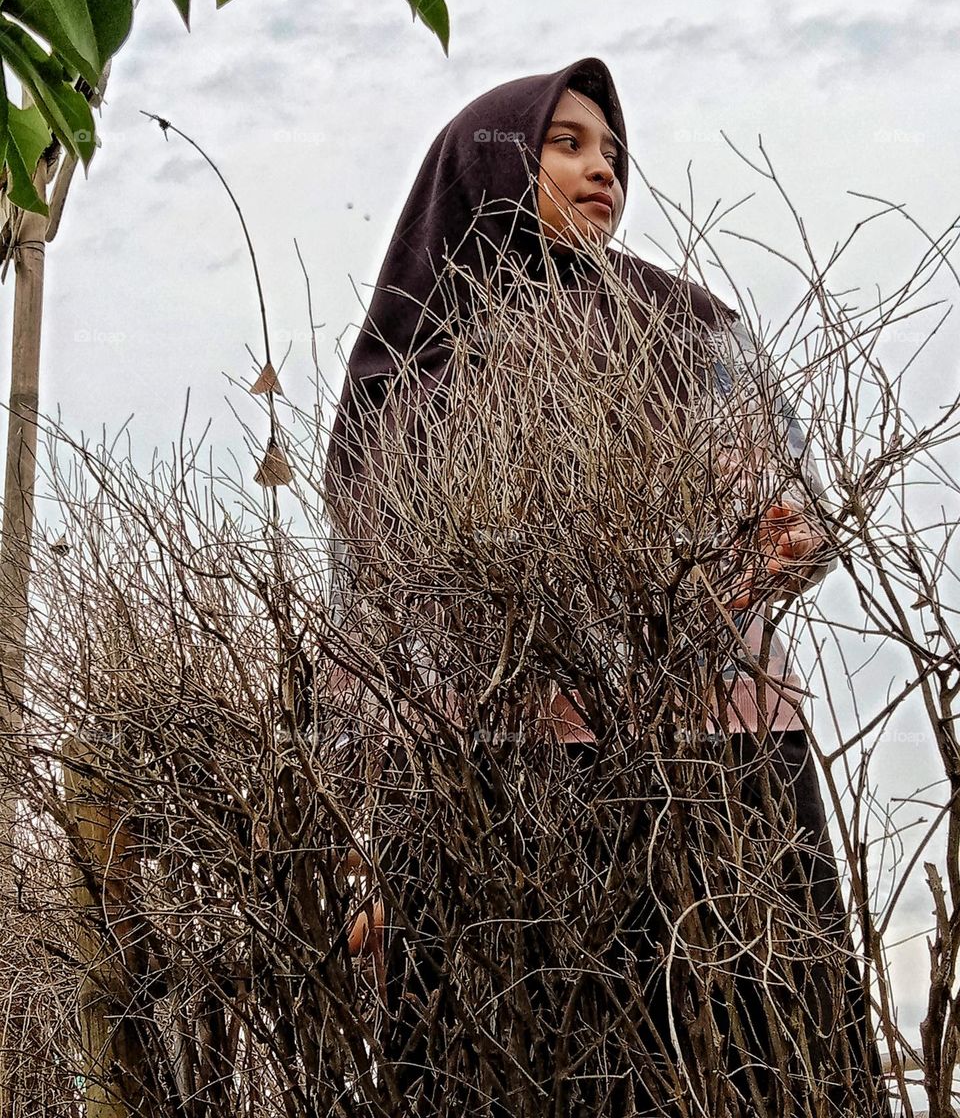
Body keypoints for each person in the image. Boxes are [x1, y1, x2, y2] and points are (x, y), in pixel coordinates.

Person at [324, 59, 893, 1116]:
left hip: (715, 753)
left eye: (615, 153)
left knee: (743, 1057)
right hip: (487, 770)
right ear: (483, 166)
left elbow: (796, 508)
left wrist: (789, 544)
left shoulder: (690, 330)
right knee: (510, 1067)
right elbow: (366, 614)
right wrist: (363, 834)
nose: (604, 173)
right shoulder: (411, 371)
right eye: (568, 144)